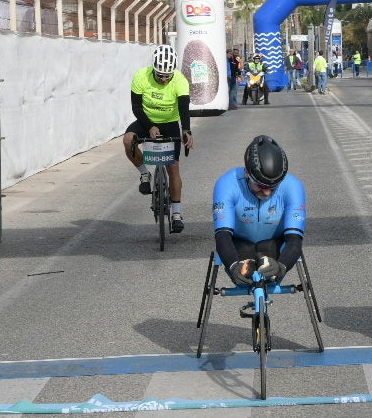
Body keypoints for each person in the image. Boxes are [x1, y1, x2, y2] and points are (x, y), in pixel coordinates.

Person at [212, 136, 306, 288]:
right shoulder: (227, 183)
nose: (267, 192)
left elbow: (295, 240)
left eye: (274, 186)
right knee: (242, 265)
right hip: (239, 246)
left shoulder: (293, 186)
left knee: (275, 256)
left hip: (275, 246)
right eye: (261, 186)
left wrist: (282, 266)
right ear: (247, 173)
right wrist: (232, 266)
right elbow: (222, 236)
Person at [125, 43, 195, 233]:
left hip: (170, 122)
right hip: (145, 120)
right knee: (128, 140)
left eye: (167, 76)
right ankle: (144, 174)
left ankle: (177, 213)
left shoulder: (180, 80)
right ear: (154, 69)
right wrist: (150, 126)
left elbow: (183, 109)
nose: (164, 79)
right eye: (160, 75)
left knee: (173, 167)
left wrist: (186, 130)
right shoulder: (141, 76)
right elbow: (136, 108)